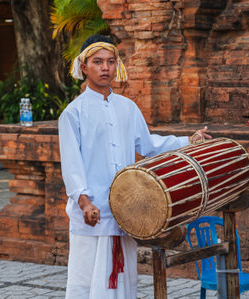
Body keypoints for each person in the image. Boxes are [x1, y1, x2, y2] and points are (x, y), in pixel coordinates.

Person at [58, 34, 211, 299]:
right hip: (92, 213)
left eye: (110, 61)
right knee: (88, 283)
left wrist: (188, 140)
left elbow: (149, 145)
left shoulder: (127, 107)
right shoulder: (73, 113)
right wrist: (84, 202)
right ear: (84, 67)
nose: (105, 68)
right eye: (97, 62)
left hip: (124, 210)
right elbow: (71, 163)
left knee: (123, 282)